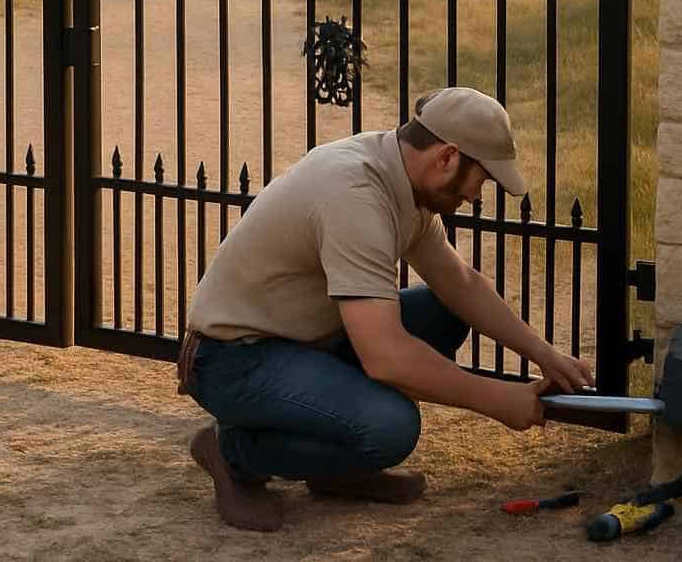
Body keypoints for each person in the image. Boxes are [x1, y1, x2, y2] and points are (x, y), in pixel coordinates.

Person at [175, 86, 594, 531]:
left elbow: (459, 283)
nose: (477, 195)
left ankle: (334, 469)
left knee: (444, 309)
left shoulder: (402, 178)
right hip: (234, 359)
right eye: (484, 178)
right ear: (448, 157)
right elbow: (385, 356)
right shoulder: (355, 194)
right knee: (390, 428)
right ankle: (232, 453)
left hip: (305, 341)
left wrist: (544, 354)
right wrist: (499, 399)